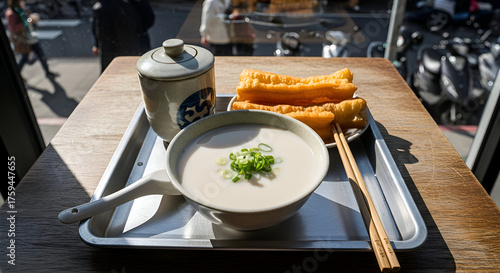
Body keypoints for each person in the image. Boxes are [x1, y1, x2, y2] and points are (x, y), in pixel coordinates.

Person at [92, 0, 155, 72]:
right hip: (137, 44)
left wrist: (97, 44)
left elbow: (101, 32)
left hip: (112, 50)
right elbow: (149, 18)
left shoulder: (104, 6)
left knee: (112, 75)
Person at [4, 0, 59, 78]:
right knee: (24, 58)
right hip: (24, 40)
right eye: (21, 1)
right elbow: (13, 28)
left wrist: (34, 18)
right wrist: (29, 21)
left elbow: (29, 19)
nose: (24, 3)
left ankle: (47, 72)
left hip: (31, 37)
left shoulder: (23, 9)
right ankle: (16, 75)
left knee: (41, 55)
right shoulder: (11, 13)